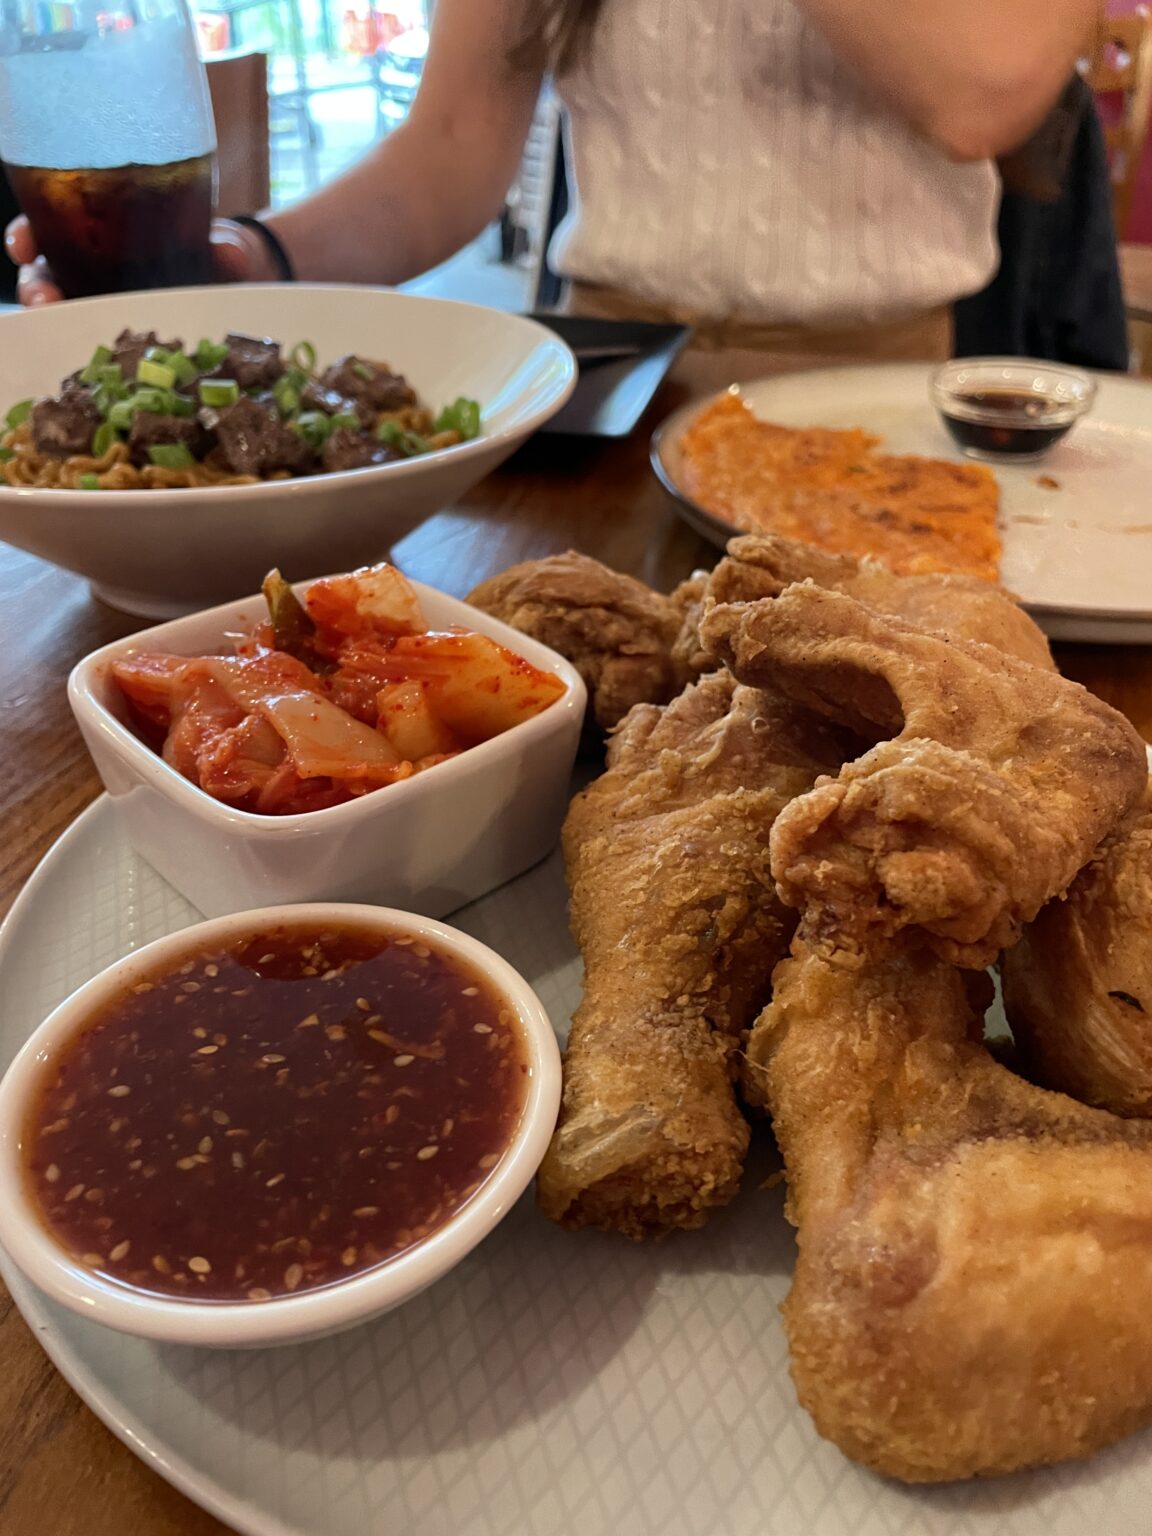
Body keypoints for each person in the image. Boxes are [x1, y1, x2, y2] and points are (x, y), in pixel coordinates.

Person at [6, 0, 1096, 370]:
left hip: (880, 389)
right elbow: (451, 147)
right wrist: (254, 261)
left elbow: (986, 88)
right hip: (613, 384)